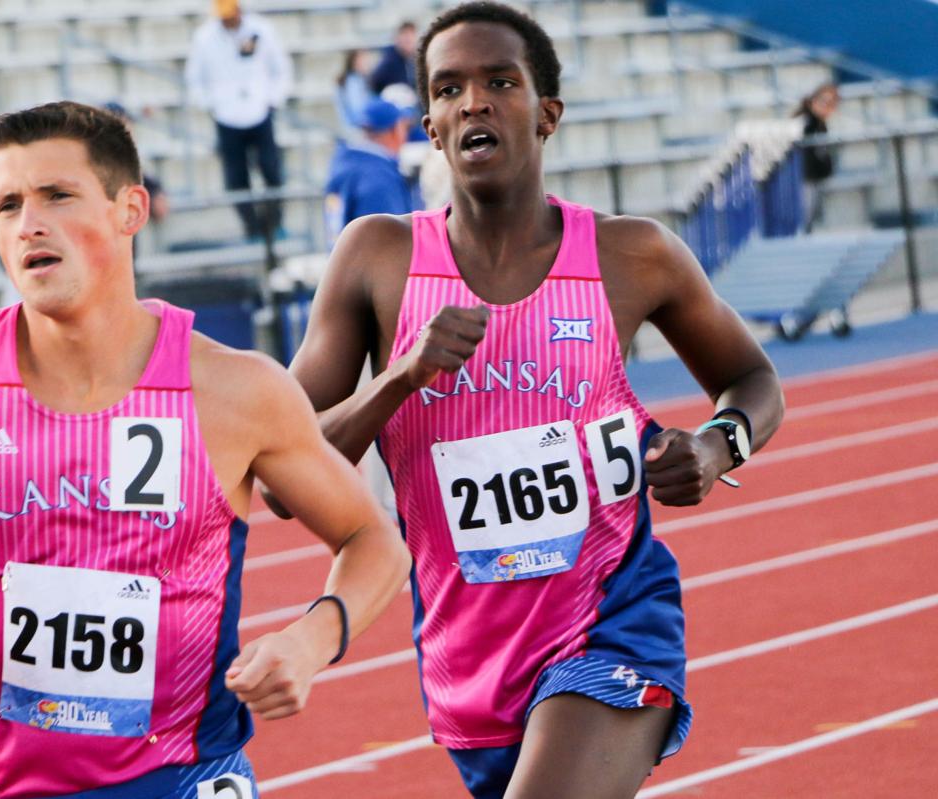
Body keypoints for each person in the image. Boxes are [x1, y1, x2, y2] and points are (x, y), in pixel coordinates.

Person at [0, 101, 409, 799]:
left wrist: (310, 639)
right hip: (15, 785)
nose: (29, 222)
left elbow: (373, 539)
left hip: (189, 775)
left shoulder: (235, 389)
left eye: (57, 195)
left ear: (131, 209)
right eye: (7, 205)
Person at [281, 3, 785, 797]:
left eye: (499, 82)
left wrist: (717, 445)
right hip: (468, 660)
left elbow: (753, 381)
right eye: (449, 90)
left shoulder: (631, 254)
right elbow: (285, 472)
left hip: (612, 623)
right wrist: (397, 378)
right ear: (431, 128)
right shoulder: (377, 259)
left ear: (546, 114)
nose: (472, 102)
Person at [185, 0, 293, 241]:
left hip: (259, 111)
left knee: (271, 170)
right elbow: (195, 78)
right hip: (226, 115)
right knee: (236, 178)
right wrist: (211, 104)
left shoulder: (261, 29)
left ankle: (275, 223)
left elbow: (281, 67)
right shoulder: (204, 37)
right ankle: (252, 226)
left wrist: (272, 99)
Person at [323, 98, 415, 247]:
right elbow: (388, 244)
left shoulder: (347, 165)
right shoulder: (378, 177)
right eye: (404, 127)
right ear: (395, 130)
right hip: (371, 267)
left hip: (343, 265)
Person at [794, 82, 839, 232]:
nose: (828, 107)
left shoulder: (819, 124)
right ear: (813, 100)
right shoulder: (805, 122)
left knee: (810, 217)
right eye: (824, 102)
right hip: (802, 178)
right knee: (804, 218)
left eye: (832, 103)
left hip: (812, 178)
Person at [369, 21, 418, 95]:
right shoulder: (389, 60)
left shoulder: (414, 59)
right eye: (406, 37)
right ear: (397, 39)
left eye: (411, 37)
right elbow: (375, 82)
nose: (409, 40)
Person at [334, 49, 375, 135]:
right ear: (354, 63)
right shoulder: (352, 82)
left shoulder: (361, 80)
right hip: (356, 131)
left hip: (356, 130)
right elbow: (357, 111)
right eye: (364, 61)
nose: (368, 64)